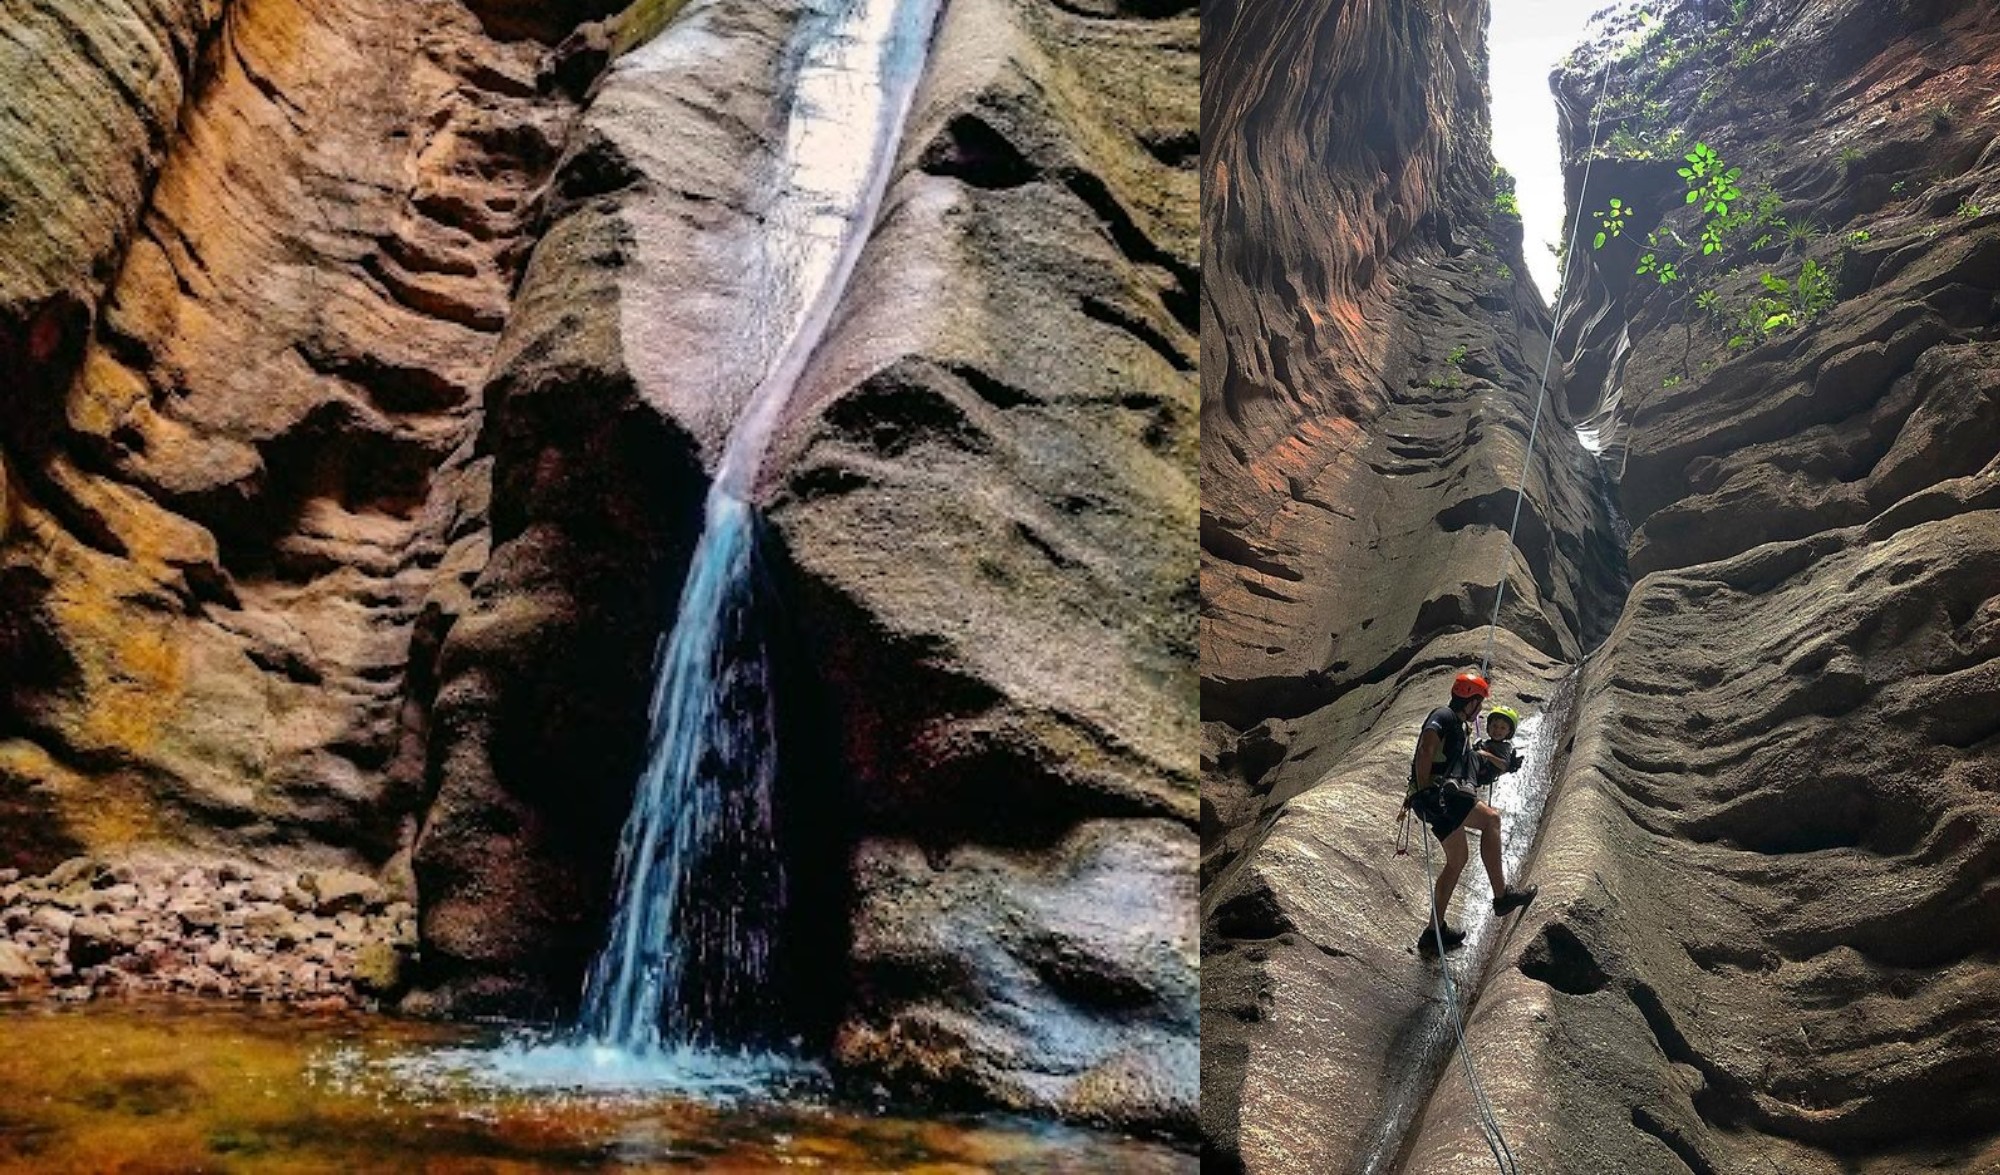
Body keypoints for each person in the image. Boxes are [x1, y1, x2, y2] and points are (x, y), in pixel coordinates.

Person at [1401, 673, 1537, 955]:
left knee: (1457, 860)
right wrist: (1424, 786)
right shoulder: (1445, 716)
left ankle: (1433, 932)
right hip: (1438, 795)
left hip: (1433, 798)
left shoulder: (1459, 728)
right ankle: (1502, 896)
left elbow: (1460, 763)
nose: (1480, 711)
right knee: (1491, 819)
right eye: (1480, 703)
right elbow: (1427, 746)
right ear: (1472, 700)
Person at [1472, 705, 1526, 791]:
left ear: (1509, 732)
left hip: (1484, 772)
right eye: (1494, 726)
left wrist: (1486, 754)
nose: (1497, 730)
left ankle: (1469, 783)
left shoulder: (1504, 747)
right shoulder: (1487, 743)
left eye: (1502, 728)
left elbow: (1504, 765)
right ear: (1488, 726)